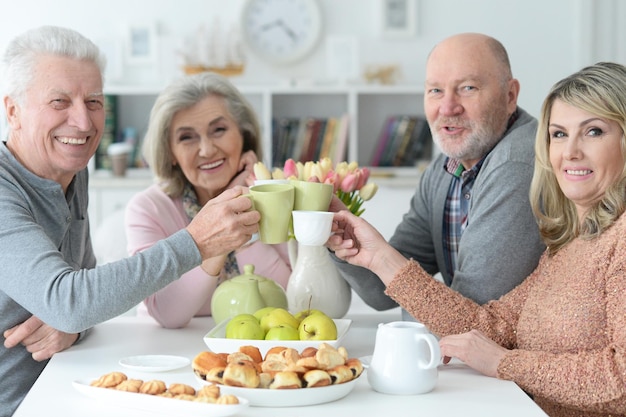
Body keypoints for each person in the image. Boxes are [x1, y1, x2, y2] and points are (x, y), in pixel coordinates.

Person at [329, 61, 626, 417]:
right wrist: (378, 257)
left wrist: (506, 363)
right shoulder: (569, 246)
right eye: (559, 134)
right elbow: (490, 328)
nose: (571, 151)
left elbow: (620, 380)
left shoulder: (620, 241)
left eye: (593, 131)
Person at [0, 26, 258, 417]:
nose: (83, 123)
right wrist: (197, 241)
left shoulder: (70, 171)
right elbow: (72, 300)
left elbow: (80, 298)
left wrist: (73, 325)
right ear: (13, 111)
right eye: (59, 102)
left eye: (93, 101)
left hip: (63, 385)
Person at [331, 33, 545, 317]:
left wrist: (385, 261)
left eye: (468, 88)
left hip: (520, 358)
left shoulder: (518, 164)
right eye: (435, 91)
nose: (447, 108)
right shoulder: (445, 169)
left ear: (510, 96)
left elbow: (471, 317)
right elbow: (380, 293)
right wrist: (339, 232)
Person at [125, 72, 291, 328]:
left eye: (219, 130)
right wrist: (228, 216)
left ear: (244, 136)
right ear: (170, 153)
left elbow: (288, 297)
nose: (207, 150)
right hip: (169, 350)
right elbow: (169, 314)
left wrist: (245, 203)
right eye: (187, 137)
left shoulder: (273, 195)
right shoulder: (147, 208)